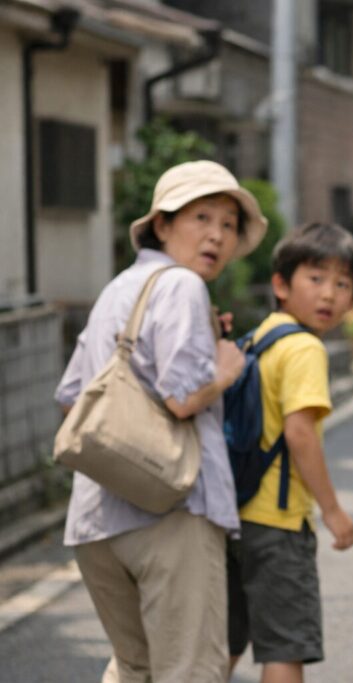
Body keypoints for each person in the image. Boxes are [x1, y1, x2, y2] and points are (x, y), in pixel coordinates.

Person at [55, 160, 266, 682]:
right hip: (171, 512)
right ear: (163, 224)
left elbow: (70, 397)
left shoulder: (118, 290)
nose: (217, 234)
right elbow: (182, 399)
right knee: (188, 671)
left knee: (134, 668)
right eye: (202, 217)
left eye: (228, 224)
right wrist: (224, 369)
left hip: (95, 519)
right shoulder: (183, 287)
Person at [227, 222, 353, 682]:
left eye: (343, 284)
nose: (329, 294)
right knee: (284, 648)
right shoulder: (304, 348)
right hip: (280, 522)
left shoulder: (259, 338)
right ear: (281, 284)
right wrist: (332, 510)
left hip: (235, 516)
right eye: (316, 278)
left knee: (224, 642)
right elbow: (300, 433)